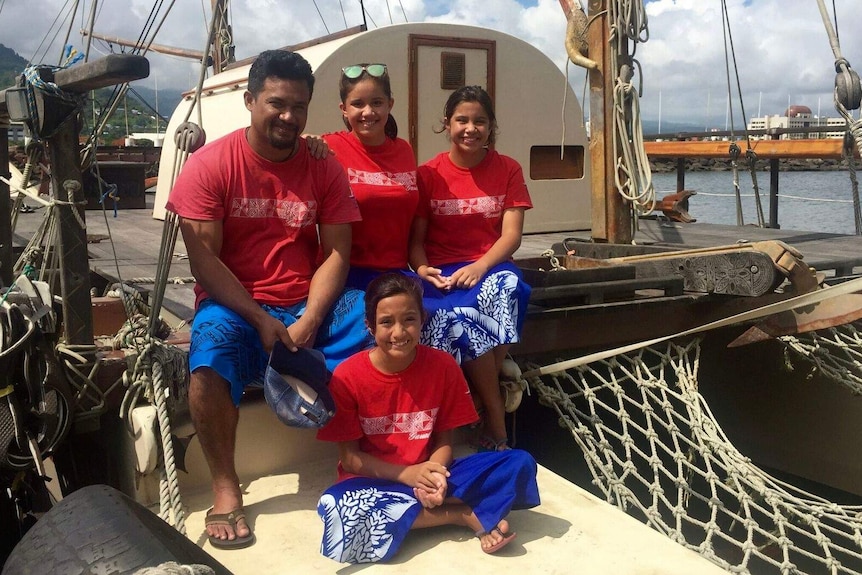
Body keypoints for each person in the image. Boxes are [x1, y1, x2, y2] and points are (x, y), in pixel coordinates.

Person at [165, 49, 371, 549]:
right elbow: (204, 263)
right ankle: (225, 487)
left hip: (306, 300)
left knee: (382, 319)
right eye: (277, 104)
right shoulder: (210, 166)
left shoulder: (323, 166)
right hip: (235, 303)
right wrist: (259, 318)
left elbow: (337, 253)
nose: (288, 117)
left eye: (299, 107)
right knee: (209, 354)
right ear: (249, 100)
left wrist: (309, 318)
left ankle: (368, 454)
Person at [316, 273, 540, 564]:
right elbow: (351, 460)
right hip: (376, 480)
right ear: (370, 326)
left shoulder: (442, 365)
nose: (399, 332)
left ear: (422, 319)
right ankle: (461, 514)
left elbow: (445, 440)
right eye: (386, 322)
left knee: (519, 463)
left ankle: (419, 512)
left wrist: (434, 475)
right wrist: (407, 476)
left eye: (408, 320)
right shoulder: (347, 376)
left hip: (430, 472)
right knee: (336, 506)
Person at [409, 85, 533, 453]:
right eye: (462, 120)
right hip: (443, 272)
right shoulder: (428, 173)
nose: (470, 128)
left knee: (506, 288)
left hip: (490, 265)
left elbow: (511, 237)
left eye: (480, 121)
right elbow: (415, 239)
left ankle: (491, 419)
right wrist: (421, 268)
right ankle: (494, 410)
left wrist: (480, 267)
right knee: (455, 318)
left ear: (491, 126)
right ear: (447, 124)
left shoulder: (508, 168)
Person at [322, 63, 418, 289]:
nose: (368, 112)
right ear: (344, 109)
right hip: (349, 275)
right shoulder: (330, 147)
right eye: (357, 104)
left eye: (377, 102)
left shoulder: (404, 149)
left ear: (390, 105)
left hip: (398, 273)